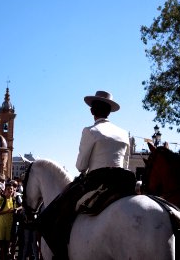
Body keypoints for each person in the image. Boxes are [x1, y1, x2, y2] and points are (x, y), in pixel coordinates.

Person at [37, 90, 136, 260]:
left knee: (54, 214)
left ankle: (60, 254)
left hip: (96, 182)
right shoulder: (123, 133)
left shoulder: (90, 131)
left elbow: (81, 166)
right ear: (109, 111)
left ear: (92, 111)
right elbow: (126, 164)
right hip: (122, 183)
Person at [0, 183, 19, 260]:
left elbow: (18, 207)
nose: (10, 190)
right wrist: (7, 212)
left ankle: (5, 256)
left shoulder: (14, 199)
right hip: (1, 223)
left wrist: (17, 209)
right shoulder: (2, 199)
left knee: (7, 242)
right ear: (5, 190)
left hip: (9, 224)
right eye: (8, 189)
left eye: (11, 189)